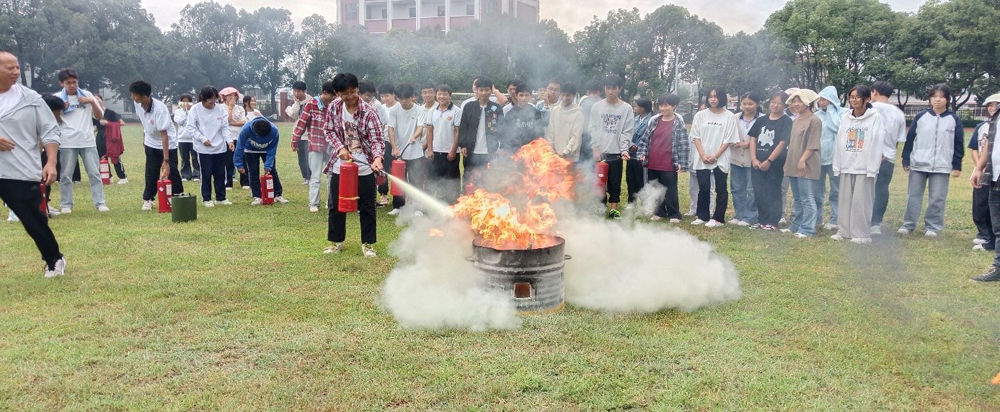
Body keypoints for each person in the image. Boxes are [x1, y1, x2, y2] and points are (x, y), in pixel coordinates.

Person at [0, 51, 66, 277]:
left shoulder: (29, 98)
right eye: (10, 68)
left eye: (17, 67)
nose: (16, 71)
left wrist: (51, 163)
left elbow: (50, 130)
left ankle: (54, 259)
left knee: (32, 219)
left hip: (18, 170)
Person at [323, 73, 385, 257]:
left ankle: (368, 244)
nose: (350, 96)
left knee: (367, 205)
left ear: (357, 88)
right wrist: (340, 148)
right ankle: (336, 241)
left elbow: (377, 139)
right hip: (340, 165)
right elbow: (329, 130)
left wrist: (377, 158)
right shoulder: (334, 107)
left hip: (365, 165)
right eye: (345, 93)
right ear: (337, 93)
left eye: (353, 92)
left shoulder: (368, 112)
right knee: (336, 204)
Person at [899, 84, 964, 237]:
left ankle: (933, 227)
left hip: (942, 165)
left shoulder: (954, 119)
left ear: (947, 100)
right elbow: (910, 139)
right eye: (935, 96)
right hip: (919, 163)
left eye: (941, 97)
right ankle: (908, 225)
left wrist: (957, 165)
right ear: (930, 98)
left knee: (937, 198)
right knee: (913, 196)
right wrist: (906, 158)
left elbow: (958, 143)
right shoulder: (921, 116)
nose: (938, 100)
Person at [831, 85, 886, 243]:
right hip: (847, 164)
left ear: (867, 99)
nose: (854, 100)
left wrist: (872, 168)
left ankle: (862, 234)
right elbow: (840, 140)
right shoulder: (845, 117)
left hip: (864, 167)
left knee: (861, 202)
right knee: (845, 200)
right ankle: (844, 231)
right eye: (851, 97)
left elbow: (877, 142)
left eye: (857, 97)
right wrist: (838, 164)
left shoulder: (875, 117)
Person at [55, 68, 108, 213]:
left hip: (87, 140)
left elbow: (99, 116)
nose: (72, 85)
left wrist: (91, 101)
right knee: (66, 175)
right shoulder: (57, 97)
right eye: (68, 83)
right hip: (67, 141)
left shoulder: (87, 95)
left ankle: (100, 203)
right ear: (62, 83)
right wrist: (60, 109)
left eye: (75, 82)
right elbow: (55, 121)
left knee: (94, 173)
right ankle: (66, 204)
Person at [130, 81, 183, 211]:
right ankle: (148, 199)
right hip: (151, 141)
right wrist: (145, 140)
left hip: (167, 143)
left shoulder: (160, 109)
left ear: (145, 96)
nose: (132, 97)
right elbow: (145, 123)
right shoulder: (137, 104)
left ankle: (178, 195)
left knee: (171, 170)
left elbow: (164, 135)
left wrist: (165, 160)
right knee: (151, 172)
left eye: (135, 95)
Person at [690, 87, 740, 227]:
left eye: (716, 96)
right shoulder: (700, 115)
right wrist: (702, 154)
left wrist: (715, 155)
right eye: (710, 96)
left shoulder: (729, 116)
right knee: (703, 187)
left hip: (721, 158)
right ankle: (702, 215)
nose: (713, 99)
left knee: (721, 188)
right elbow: (696, 136)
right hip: (702, 157)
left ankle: (718, 218)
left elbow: (729, 139)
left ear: (722, 98)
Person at [637, 93, 689, 222]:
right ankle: (659, 212)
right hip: (653, 160)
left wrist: (682, 162)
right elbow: (645, 140)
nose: (663, 108)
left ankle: (674, 214)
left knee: (670, 189)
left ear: (674, 106)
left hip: (669, 162)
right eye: (661, 105)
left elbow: (683, 144)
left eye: (666, 105)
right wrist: (642, 153)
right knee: (655, 188)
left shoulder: (678, 122)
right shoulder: (654, 120)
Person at [589, 75, 634, 219]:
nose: (610, 91)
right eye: (608, 88)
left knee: (615, 182)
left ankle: (613, 208)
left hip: (616, 153)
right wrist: (595, 147)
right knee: (599, 182)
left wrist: (624, 150)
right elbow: (592, 128)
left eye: (614, 88)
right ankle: (600, 207)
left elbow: (627, 131)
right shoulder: (597, 107)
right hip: (600, 152)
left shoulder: (626, 108)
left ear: (619, 88)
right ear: (604, 88)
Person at [749, 92, 793, 231]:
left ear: (785, 105)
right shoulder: (761, 120)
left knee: (773, 191)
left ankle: (773, 222)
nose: (775, 105)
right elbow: (753, 139)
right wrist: (754, 159)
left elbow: (782, 142)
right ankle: (761, 220)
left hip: (775, 163)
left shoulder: (786, 121)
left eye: (779, 103)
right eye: (773, 102)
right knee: (759, 191)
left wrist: (769, 160)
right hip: (757, 162)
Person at [782, 89, 823, 238]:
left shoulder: (814, 120)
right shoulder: (796, 120)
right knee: (797, 198)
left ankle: (807, 229)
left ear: (808, 102)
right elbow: (792, 144)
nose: (796, 104)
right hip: (793, 162)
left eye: (800, 101)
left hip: (807, 163)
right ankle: (795, 226)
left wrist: (802, 160)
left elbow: (813, 144)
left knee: (807, 198)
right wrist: (788, 162)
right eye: (794, 101)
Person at [868, 81, 907, 235]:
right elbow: (898, 139)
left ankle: (862, 220)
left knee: (864, 189)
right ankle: (876, 223)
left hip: (868, 157)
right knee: (882, 189)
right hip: (888, 157)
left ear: (874, 91)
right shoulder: (898, 113)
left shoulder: (869, 108)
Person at [969, 93, 1000, 282]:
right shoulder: (996, 116)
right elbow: (989, 143)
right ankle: (998, 267)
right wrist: (979, 167)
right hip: (995, 177)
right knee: (998, 228)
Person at [186, 86, 233, 207]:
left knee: (220, 174)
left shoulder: (220, 109)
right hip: (204, 148)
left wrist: (229, 141)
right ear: (203, 98)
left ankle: (221, 197)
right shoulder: (195, 109)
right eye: (210, 99)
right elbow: (191, 127)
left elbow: (225, 127)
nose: (213, 102)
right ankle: (206, 198)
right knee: (206, 174)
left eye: (215, 99)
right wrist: (202, 139)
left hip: (219, 147)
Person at [292, 80, 334, 213]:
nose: (334, 98)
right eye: (332, 95)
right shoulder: (312, 104)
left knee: (332, 175)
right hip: (315, 144)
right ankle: (314, 203)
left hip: (332, 145)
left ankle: (330, 201)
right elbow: (302, 123)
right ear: (325, 93)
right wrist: (295, 140)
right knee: (315, 176)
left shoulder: (335, 105)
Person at [388, 83, 429, 215]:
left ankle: (417, 208)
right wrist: (394, 147)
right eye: (400, 98)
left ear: (413, 96)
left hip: (415, 152)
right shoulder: (394, 110)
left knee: (416, 180)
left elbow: (420, 126)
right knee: (399, 180)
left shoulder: (419, 110)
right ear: (397, 97)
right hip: (399, 152)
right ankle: (398, 207)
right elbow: (391, 129)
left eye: (406, 98)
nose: (403, 101)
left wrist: (414, 136)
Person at [457, 77, 504, 189]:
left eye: (486, 90)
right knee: (470, 180)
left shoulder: (496, 108)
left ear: (490, 91)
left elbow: (502, 128)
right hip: (471, 151)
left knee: (488, 179)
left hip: (490, 150)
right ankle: (469, 202)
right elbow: (463, 127)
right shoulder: (469, 107)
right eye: (481, 90)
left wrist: (501, 147)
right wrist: (463, 144)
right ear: (476, 90)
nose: (484, 93)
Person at [234, 117, 288, 206]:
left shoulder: (274, 131)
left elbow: (272, 150)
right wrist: (239, 164)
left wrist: (268, 166)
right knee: (253, 171)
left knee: (272, 171)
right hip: (250, 150)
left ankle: (277, 194)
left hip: (267, 151)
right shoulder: (246, 129)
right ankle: (257, 196)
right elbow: (239, 147)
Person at [815, 86, 846, 230]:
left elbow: (838, 128)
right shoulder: (816, 115)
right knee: (816, 190)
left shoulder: (843, 113)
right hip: (817, 159)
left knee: (837, 191)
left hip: (836, 159)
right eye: (820, 99)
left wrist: (832, 111)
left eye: (826, 99)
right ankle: (817, 218)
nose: (822, 102)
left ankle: (835, 219)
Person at [730, 92, 763, 226]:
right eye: (744, 103)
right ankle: (739, 214)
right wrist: (734, 142)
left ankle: (750, 216)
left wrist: (750, 144)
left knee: (752, 189)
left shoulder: (763, 119)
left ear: (757, 104)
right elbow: (727, 134)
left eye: (750, 104)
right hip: (736, 158)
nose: (747, 106)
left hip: (753, 159)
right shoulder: (734, 118)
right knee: (737, 188)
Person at [425, 85, 462, 203]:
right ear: (436, 95)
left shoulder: (457, 111)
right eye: (439, 94)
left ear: (450, 96)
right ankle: (432, 203)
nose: (441, 96)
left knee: (451, 178)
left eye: (445, 94)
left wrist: (453, 150)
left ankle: (452, 203)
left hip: (451, 153)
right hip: (436, 151)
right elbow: (430, 131)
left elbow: (457, 132)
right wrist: (430, 150)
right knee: (433, 178)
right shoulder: (432, 111)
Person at [93, 94, 127, 184]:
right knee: (102, 158)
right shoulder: (95, 114)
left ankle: (123, 177)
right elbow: (97, 127)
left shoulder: (110, 112)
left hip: (111, 139)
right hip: (100, 138)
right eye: (94, 100)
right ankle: (108, 176)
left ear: (102, 100)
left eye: (98, 99)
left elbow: (122, 123)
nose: (97, 102)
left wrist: (108, 123)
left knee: (115, 157)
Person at [544, 82, 584, 161]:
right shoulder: (555, 110)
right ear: (560, 95)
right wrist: (551, 148)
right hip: (554, 155)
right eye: (563, 95)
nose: (565, 98)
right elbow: (550, 131)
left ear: (573, 96)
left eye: (568, 95)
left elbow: (576, 136)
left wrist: (566, 151)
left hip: (570, 157)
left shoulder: (578, 114)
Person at [625, 97, 651, 208]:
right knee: (630, 178)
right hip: (631, 154)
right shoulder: (635, 119)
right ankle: (632, 201)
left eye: (636, 106)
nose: (634, 108)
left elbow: (648, 136)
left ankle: (644, 203)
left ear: (643, 108)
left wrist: (638, 146)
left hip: (642, 155)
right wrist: (631, 144)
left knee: (641, 180)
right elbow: (628, 132)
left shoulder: (651, 120)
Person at [286, 81, 312, 185]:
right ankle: (306, 177)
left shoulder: (311, 101)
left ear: (304, 91)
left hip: (309, 134)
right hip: (298, 133)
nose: (296, 93)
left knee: (308, 156)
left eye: (299, 91)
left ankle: (311, 176)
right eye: (295, 91)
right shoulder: (296, 102)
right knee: (301, 157)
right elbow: (292, 115)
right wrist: (296, 103)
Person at [223, 89, 249, 189]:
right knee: (228, 161)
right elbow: (225, 121)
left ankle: (245, 182)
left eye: (234, 96)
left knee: (243, 159)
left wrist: (230, 123)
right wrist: (230, 108)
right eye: (230, 95)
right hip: (227, 138)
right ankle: (228, 182)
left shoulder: (240, 108)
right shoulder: (221, 108)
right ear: (224, 96)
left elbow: (243, 122)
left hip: (240, 137)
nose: (233, 98)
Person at [376, 83, 397, 205]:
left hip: (395, 143)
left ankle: (398, 196)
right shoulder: (380, 108)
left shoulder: (399, 107)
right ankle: (383, 194)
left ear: (393, 95)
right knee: (382, 170)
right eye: (382, 96)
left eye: (387, 96)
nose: (385, 99)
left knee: (397, 170)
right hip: (382, 142)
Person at [174, 94, 199, 182]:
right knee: (184, 158)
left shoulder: (194, 111)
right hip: (182, 138)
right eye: (184, 101)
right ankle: (185, 174)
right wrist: (185, 112)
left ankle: (196, 174)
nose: (186, 103)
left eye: (188, 101)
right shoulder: (178, 112)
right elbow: (179, 122)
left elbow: (195, 122)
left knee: (195, 157)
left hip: (193, 138)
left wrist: (189, 112)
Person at [578, 79, 603, 163]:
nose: (592, 95)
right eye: (590, 92)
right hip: (583, 142)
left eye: (595, 92)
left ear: (600, 92)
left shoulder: (604, 106)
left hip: (598, 145)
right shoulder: (583, 104)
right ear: (587, 93)